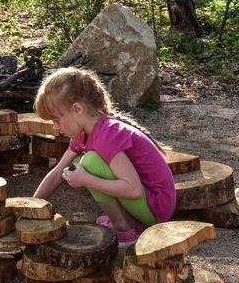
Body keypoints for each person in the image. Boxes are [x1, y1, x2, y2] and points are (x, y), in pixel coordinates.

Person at [32, 67, 176, 245]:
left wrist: (86, 180)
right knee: (78, 162)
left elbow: (133, 189)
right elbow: (57, 173)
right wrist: (31, 205)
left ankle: (123, 228)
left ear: (77, 109)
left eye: (56, 120)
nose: (54, 127)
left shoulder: (107, 135)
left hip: (156, 207)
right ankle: (130, 220)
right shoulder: (83, 133)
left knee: (90, 162)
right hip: (144, 199)